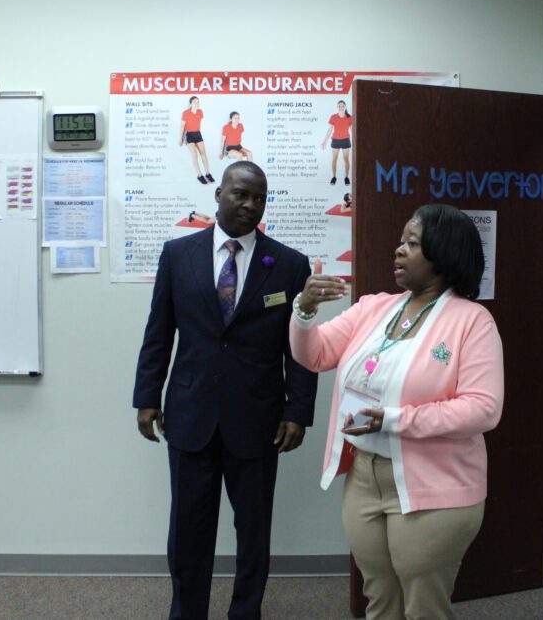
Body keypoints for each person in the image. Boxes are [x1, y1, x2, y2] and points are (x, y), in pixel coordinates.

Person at [290, 204, 503, 620]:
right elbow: (314, 355)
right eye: (401, 241)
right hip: (365, 477)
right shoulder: (375, 307)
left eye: (412, 243)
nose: (399, 250)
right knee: (380, 598)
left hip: (435, 486)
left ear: (444, 254)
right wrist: (305, 311)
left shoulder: (472, 322)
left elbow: (483, 409)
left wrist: (395, 419)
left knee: (424, 606)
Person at [134, 161, 317, 620]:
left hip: (258, 419)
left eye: (259, 198)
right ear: (218, 194)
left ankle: (245, 612)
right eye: (240, 194)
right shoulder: (178, 255)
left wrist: (299, 410)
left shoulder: (289, 264)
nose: (250, 205)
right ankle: (187, 611)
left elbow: (299, 345)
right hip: (190, 414)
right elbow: (159, 332)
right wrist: (147, 396)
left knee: (253, 530)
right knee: (188, 529)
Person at [180, 96, 214, 184]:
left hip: (197, 134)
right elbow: (182, 126)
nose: (196, 103)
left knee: (203, 153)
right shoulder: (186, 113)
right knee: (194, 154)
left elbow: (197, 122)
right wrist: (180, 139)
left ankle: (208, 174)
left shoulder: (200, 112)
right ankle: (199, 175)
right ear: (190, 104)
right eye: (194, 102)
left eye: (198, 102)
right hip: (188, 135)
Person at [321, 100, 353, 185]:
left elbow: (352, 130)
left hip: (346, 140)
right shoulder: (334, 117)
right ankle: (334, 177)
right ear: (337, 107)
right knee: (334, 159)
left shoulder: (349, 117)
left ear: (345, 107)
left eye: (343, 106)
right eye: (339, 106)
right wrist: (324, 141)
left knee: (346, 159)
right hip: (335, 141)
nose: (341, 107)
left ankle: (346, 177)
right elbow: (329, 130)